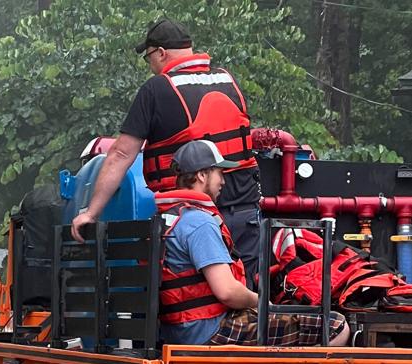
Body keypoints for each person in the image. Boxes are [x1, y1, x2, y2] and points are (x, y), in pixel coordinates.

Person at [71, 19, 261, 289]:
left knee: (189, 298)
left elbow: (121, 154)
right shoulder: (227, 80)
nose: (150, 66)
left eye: (149, 57)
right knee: (245, 288)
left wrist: (91, 212)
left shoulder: (157, 89)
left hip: (189, 217)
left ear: (161, 53)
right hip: (243, 212)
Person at [156, 140, 349, 346]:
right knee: (336, 325)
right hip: (209, 330)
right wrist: (260, 302)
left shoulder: (169, 217)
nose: (223, 181)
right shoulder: (199, 222)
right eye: (219, 173)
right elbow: (227, 292)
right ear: (202, 175)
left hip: (179, 330)